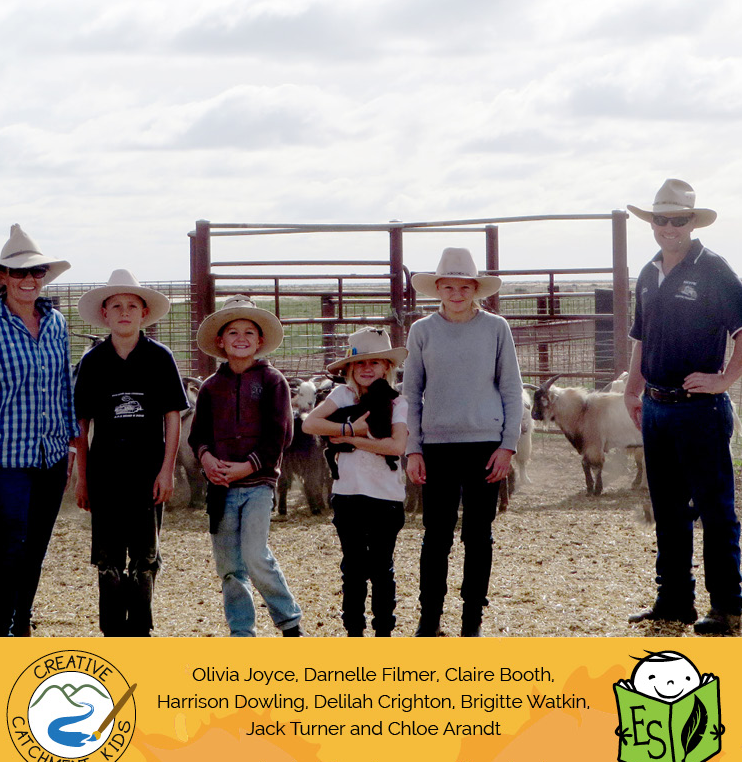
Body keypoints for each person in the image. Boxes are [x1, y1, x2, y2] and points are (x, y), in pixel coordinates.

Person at [624, 179, 742, 636]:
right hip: (657, 406)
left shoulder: (711, 269)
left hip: (698, 409)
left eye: (678, 219)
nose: (669, 227)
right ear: (652, 223)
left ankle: (726, 607)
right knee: (666, 507)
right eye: (661, 219)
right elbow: (641, 338)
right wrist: (632, 390)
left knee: (714, 508)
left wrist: (724, 379)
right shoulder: (648, 272)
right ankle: (674, 601)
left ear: (691, 222)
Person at [0, 224, 77, 636]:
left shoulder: (57, 323)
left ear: (44, 277)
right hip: (5, 460)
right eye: (19, 272)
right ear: (2, 277)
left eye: (36, 272)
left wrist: (71, 446)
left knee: (36, 550)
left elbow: (65, 387)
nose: (28, 280)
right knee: (9, 551)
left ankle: (21, 627)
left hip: (52, 455)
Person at [403, 248, 523, 637]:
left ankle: (472, 618)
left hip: (485, 445)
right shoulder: (422, 331)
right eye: (449, 285)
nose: (456, 292)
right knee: (436, 534)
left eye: (464, 286)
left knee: (478, 533)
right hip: (436, 445)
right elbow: (411, 393)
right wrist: (413, 448)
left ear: (476, 289)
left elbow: (511, 388)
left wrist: (508, 445)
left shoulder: (496, 329)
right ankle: (430, 620)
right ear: (438, 288)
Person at [72, 269, 188, 636]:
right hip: (106, 470)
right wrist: (82, 477)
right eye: (116, 306)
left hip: (148, 469)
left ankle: (141, 628)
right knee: (108, 557)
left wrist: (167, 469)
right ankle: (112, 631)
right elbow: (82, 424)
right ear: (105, 314)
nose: (124, 312)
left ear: (143, 313)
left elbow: (172, 417)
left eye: (132, 306)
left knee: (145, 554)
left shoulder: (159, 358)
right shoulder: (93, 361)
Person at [189, 295, 304, 638]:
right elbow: (198, 436)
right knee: (228, 566)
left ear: (260, 340)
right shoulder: (211, 388)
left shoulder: (272, 382)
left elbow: (280, 435)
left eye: (249, 332)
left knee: (254, 555)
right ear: (220, 341)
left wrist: (247, 467)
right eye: (233, 332)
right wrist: (207, 458)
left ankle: (289, 620)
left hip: (258, 485)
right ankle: (242, 632)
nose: (241, 338)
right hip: (221, 488)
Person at [302, 327, 408, 637]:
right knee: (353, 569)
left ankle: (384, 632)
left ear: (387, 367)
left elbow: (396, 447)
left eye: (374, 363)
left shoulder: (398, 402)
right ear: (349, 368)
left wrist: (353, 437)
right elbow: (310, 423)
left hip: (385, 496)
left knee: (381, 568)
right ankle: (354, 633)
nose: (366, 369)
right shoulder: (342, 395)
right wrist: (351, 429)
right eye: (359, 363)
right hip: (348, 494)